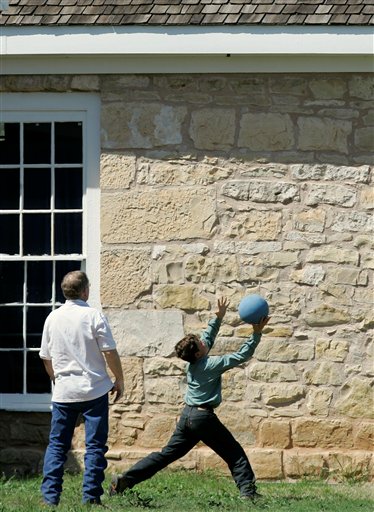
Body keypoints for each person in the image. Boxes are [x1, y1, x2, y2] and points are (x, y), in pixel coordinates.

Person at [109, 297, 269, 502]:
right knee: (234, 454)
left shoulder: (193, 362)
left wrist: (218, 318)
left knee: (165, 455)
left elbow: (208, 338)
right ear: (198, 352)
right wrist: (256, 333)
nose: (204, 341)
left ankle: (125, 480)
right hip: (203, 418)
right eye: (201, 343)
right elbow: (241, 355)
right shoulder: (211, 364)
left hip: (187, 417)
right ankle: (248, 492)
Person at [39, 270, 124, 507]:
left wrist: (57, 379)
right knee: (95, 446)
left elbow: (46, 358)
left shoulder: (52, 318)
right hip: (94, 389)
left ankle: (50, 498)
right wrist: (119, 378)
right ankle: (91, 497)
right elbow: (109, 351)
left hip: (64, 392)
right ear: (85, 290)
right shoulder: (93, 315)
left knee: (57, 445)